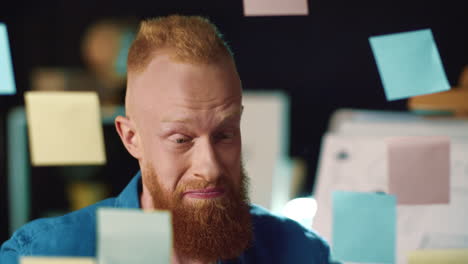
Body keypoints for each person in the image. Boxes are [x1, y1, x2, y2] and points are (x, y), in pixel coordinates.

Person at [1, 15, 330, 264]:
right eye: (181, 139)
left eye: (224, 134)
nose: (210, 166)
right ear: (132, 139)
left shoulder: (298, 252)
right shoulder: (49, 254)